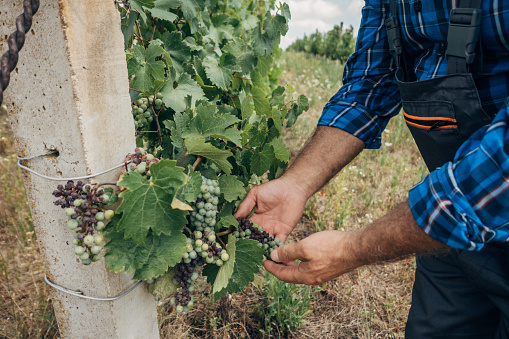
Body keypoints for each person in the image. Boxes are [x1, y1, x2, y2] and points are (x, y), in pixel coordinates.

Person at [235, 0, 509, 337]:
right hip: (450, 229)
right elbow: (369, 83)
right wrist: (297, 182)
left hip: (477, 201)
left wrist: (353, 247)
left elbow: (501, 167)